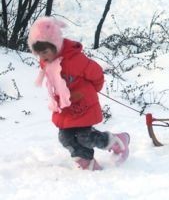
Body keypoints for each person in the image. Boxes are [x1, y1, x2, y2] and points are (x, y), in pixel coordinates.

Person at [28, 16, 130, 171]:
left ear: (55, 44)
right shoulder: (48, 61)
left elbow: (96, 74)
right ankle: (86, 160)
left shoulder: (75, 59)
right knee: (65, 137)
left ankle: (117, 142)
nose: (42, 57)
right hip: (64, 107)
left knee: (85, 137)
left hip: (82, 104)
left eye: (45, 52)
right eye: (39, 54)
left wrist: (89, 92)